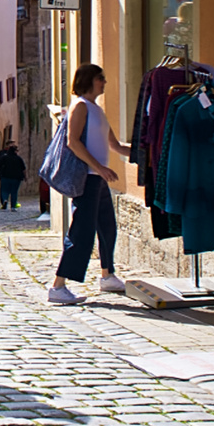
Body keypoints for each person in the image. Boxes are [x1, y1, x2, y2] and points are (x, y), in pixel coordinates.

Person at [49, 63, 132, 305]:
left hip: (98, 178)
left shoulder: (97, 109)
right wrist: (99, 168)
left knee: (107, 227)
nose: (104, 82)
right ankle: (58, 286)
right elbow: (73, 142)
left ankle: (107, 275)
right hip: (88, 178)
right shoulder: (81, 107)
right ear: (89, 80)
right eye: (100, 78)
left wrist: (143, 153)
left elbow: (115, 146)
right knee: (82, 232)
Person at [0, 137, 27, 210]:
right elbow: (23, 168)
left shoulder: (4, 157)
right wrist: (25, 177)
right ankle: (13, 206)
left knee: (4, 190)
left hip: (5, 176)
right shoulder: (18, 158)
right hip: (16, 178)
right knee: (14, 192)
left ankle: (5, 200)